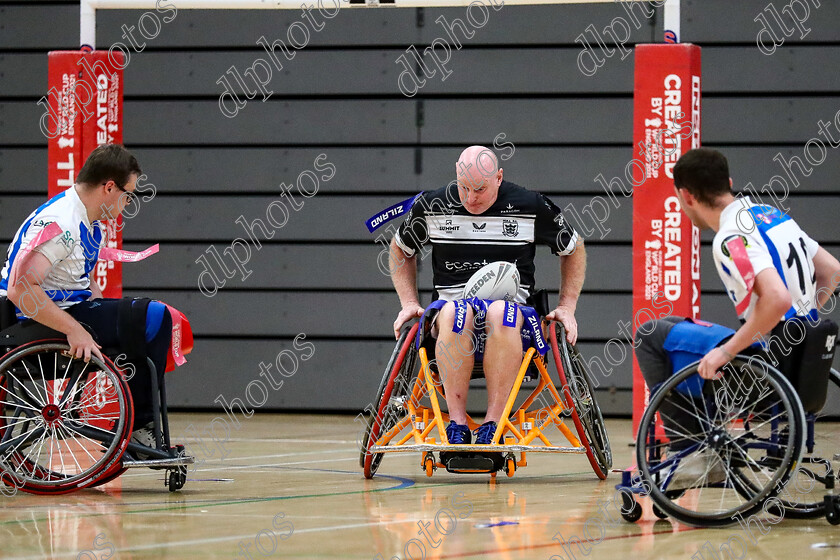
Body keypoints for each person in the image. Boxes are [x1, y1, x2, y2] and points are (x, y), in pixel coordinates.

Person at [635, 147, 840, 486]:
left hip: (766, 368)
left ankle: (693, 455)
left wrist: (726, 352)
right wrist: (806, 317)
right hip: (801, 356)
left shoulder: (731, 239)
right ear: (728, 183)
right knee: (670, 326)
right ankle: (697, 446)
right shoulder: (771, 215)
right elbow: (832, 271)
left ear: (686, 196)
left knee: (650, 335)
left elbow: (775, 299)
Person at [388, 145, 585, 448]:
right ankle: (456, 423)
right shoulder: (433, 205)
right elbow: (400, 248)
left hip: (513, 313)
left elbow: (573, 248)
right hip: (451, 311)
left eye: (479, 189)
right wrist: (408, 303)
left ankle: (494, 422)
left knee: (498, 313)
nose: (470, 198)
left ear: (499, 177)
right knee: (456, 313)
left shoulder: (529, 204)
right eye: (464, 187)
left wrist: (567, 307)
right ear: (456, 173)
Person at [0, 144, 173, 451]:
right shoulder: (61, 223)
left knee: (141, 320)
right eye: (128, 194)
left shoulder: (85, 220)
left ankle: (136, 423)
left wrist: (104, 309)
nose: (127, 202)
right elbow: (21, 289)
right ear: (109, 187)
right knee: (155, 315)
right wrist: (74, 329)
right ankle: (139, 427)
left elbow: (78, 276)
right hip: (33, 322)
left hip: (65, 308)